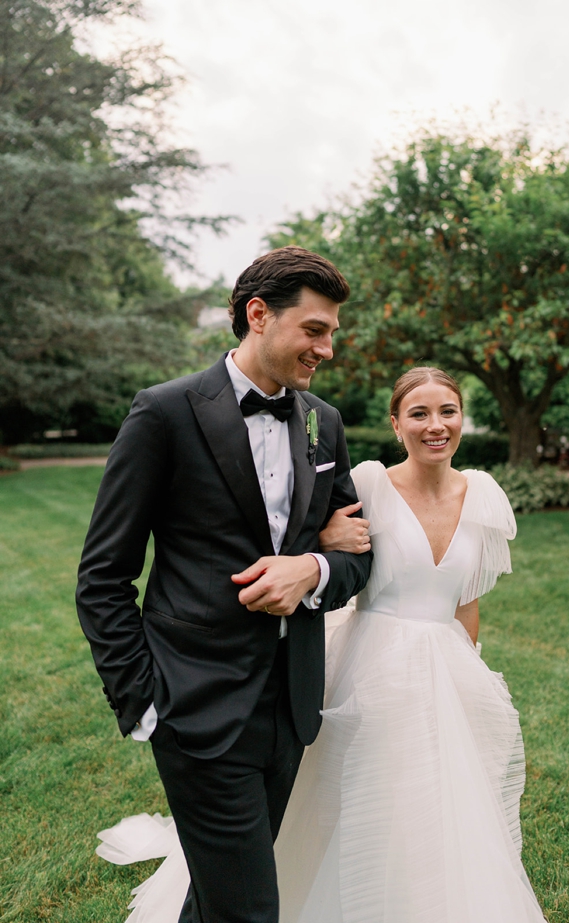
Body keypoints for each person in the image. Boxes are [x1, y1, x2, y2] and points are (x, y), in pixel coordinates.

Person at [98, 367, 547, 922]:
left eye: (448, 411)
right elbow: (300, 534)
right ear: (395, 424)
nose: (437, 425)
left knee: (433, 815)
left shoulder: (481, 492)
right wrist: (324, 543)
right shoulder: (372, 483)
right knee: (335, 808)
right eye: (420, 413)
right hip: (370, 666)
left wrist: (466, 675)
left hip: (446, 670)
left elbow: (466, 598)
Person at [77, 247, 374, 922]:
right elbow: (103, 574)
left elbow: (360, 552)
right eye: (316, 329)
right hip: (195, 705)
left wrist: (315, 568)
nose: (328, 347)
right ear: (258, 315)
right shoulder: (164, 413)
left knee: (221, 894)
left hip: (291, 706)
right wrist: (143, 702)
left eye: (333, 332)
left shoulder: (324, 422)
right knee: (248, 908)